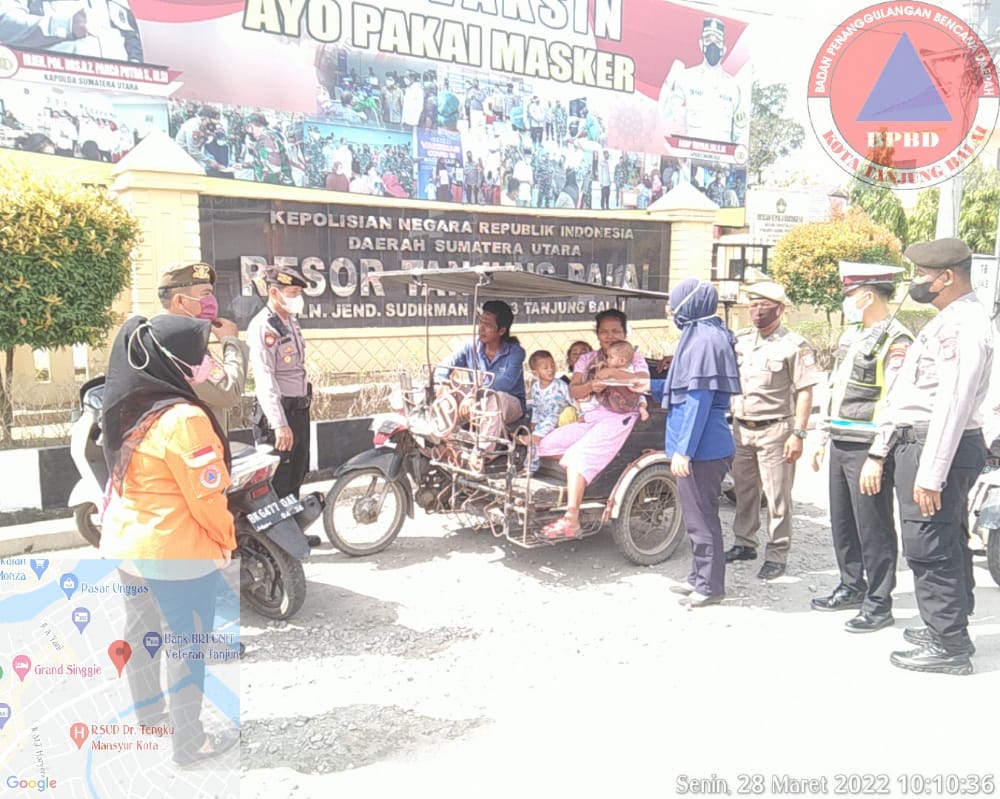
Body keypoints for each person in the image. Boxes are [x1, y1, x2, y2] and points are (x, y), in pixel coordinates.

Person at [99, 314, 239, 765]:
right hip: (175, 551)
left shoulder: (131, 404)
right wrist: (225, 542)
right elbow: (207, 497)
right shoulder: (183, 418)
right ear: (179, 363)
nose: (206, 365)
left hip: (128, 543)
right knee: (187, 641)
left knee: (142, 632)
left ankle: (150, 716)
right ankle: (190, 741)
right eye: (200, 356)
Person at [861, 238, 993, 674]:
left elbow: (953, 402)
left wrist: (931, 473)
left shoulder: (963, 325)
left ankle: (948, 644)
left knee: (929, 544)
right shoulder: (950, 319)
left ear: (947, 277)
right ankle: (948, 624)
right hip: (926, 443)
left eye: (922, 275)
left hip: (935, 447)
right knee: (944, 539)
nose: (916, 282)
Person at [809, 263, 913, 632]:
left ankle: (879, 603)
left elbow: (896, 402)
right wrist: (821, 436)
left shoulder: (897, 340)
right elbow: (834, 389)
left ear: (868, 295)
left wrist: (877, 455)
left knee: (874, 526)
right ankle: (852, 585)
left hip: (868, 446)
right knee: (844, 522)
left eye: (850, 294)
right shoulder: (852, 335)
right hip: (841, 439)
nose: (847, 300)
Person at [727, 280, 820, 580]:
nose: (757, 311)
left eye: (764, 306)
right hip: (742, 428)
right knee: (744, 491)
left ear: (779, 309)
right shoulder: (740, 341)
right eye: (753, 305)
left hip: (776, 430)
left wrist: (799, 433)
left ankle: (777, 553)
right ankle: (744, 543)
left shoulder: (794, 346)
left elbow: (805, 391)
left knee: (777, 495)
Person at [536, 309, 649, 539]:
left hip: (620, 418)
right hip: (594, 415)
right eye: (604, 332)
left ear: (625, 333)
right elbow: (574, 391)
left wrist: (612, 373)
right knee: (545, 445)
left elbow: (643, 382)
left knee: (578, 457)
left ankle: (572, 517)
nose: (610, 336)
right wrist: (591, 386)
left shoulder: (634, 358)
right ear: (597, 334)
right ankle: (593, 466)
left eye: (615, 331)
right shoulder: (587, 359)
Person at [664, 280, 741, 607]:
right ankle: (699, 577)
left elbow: (699, 399)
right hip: (702, 445)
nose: (671, 311)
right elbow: (686, 391)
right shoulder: (702, 334)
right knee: (697, 516)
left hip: (703, 448)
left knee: (703, 518)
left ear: (690, 303)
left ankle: (710, 587)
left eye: (674, 304)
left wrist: (684, 450)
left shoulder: (705, 340)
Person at [157, 261, 248, 433]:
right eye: (205, 294)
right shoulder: (181, 346)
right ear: (180, 301)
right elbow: (229, 393)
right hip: (193, 443)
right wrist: (230, 341)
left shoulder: (162, 336)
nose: (211, 301)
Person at [437, 300, 526, 470]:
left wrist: (475, 395)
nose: (481, 328)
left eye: (488, 325)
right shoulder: (471, 346)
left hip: (510, 404)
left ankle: (481, 454)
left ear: (501, 331)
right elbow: (443, 366)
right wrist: (444, 382)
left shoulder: (515, 352)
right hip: (477, 400)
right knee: (446, 390)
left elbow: (505, 382)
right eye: (481, 323)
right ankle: (449, 443)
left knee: (497, 398)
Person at [247, 265, 311, 500]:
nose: (298, 299)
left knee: (297, 474)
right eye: (293, 293)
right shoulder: (263, 326)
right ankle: (278, 525)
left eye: (299, 293)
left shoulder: (290, 321)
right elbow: (265, 378)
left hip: (299, 411)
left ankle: (292, 523)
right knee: (278, 481)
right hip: (279, 415)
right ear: (274, 293)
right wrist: (279, 424)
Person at [659, 17, 743, 143]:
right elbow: (665, 114)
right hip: (692, 152)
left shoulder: (733, 86)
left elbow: (739, 132)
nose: (712, 46)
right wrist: (671, 78)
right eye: (708, 40)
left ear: (724, 49)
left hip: (722, 153)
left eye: (717, 42)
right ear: (701, 44)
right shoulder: (687, 78)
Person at [0, 0, 143, 62]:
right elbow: (4, 26)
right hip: (55, 90)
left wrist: (136, 73)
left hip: (118, 98)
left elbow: (130, 36)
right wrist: (66, 25)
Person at [522, 350, 571, 473]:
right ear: (535, 373)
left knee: (550, 419)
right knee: (535, 438)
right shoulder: (535, 387)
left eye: (552, 366)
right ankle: (529, 468)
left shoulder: (561, 385)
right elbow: (536, 406)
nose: (550, 370)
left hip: (559, 418)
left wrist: (581, 414)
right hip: (543, 421)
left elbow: (573, 401)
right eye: (545, 368)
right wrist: (534, 420)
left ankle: (533, 437)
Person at [603, 340, 650, 421]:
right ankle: (642, 408)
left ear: (622, 361)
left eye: (610, 357)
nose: (607, 360)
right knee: (642, 398)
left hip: (620, 400)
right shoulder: (632, 371)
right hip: (634, 401)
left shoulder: (614, 373)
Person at [245, 113, 293, 186]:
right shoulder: (268, 135)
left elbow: (273, 170)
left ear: (252, 125)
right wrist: (244, 165)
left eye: (247, 128)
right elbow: (264, 162)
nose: (248, 133)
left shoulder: (266, 139)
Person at [175, 106, 222, 175]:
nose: (212, 125)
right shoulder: (194, 128)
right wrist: (210, 162)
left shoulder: (203, 125)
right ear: (204, 118)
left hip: (192, 152)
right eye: (211, 122)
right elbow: (193, 150)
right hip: (183, 155)